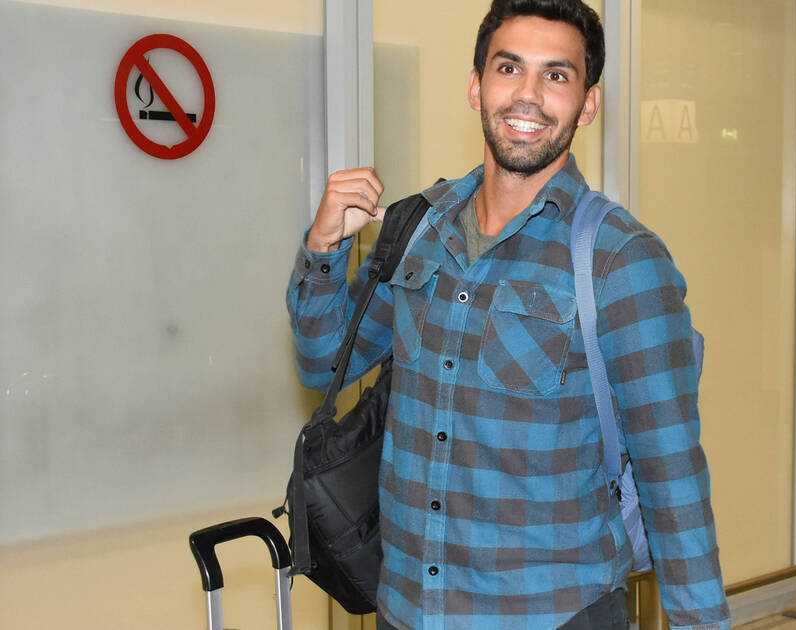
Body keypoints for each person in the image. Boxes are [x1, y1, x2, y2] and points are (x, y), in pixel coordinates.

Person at [287, 1, 729, 628]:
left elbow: (672, 476)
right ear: (476, 86)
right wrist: (324, 247)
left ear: (588, 104)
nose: (528, 95)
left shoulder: (620, 259)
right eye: (509, 67)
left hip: (552, 614)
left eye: (557, 75)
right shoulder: (421, 229)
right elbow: (321, 361)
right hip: (406, 609)